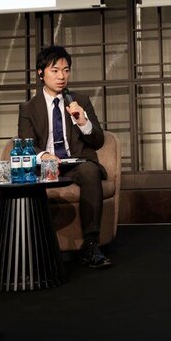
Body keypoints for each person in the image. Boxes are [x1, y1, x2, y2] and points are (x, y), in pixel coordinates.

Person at [18, 45, 112, 269]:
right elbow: (27, 144)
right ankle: (37, 247)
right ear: (41, 73)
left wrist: (82, 121)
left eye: (66, 70)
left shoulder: (80, 100)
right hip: (47, 165)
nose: (62, 76)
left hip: (76, 162)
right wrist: (44, 155)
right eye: (55, 70)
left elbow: (98, 141)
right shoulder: (29, 108)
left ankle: (91, 245)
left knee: (90, 170)